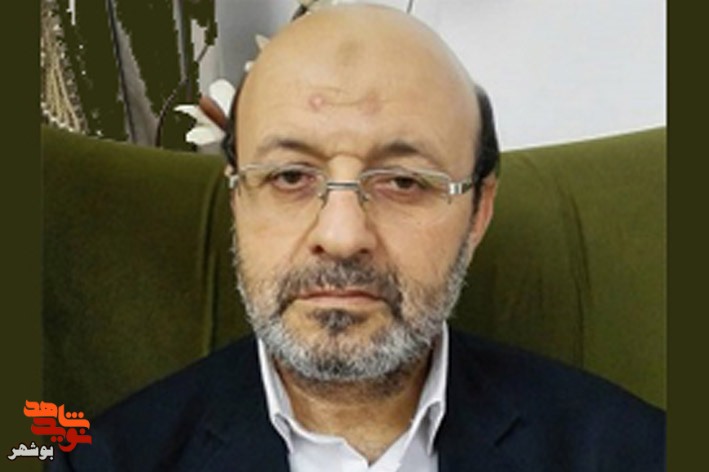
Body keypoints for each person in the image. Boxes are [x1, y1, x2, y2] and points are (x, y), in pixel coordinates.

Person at [52, 4, 664, 471]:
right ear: (237, 197)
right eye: (290, 177)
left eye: (402, 181)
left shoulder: (637, 451)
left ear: (478, 211)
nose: (342, 236)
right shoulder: (103, 459)